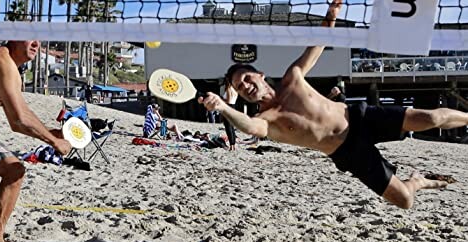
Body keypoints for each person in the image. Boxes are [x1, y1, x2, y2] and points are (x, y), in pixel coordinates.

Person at [199, 0, 468, 210]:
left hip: (360, 117)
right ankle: (419, 180)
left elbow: (319, 43)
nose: (245, 86)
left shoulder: (293, 78)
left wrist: (331, 15)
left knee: (431, 119)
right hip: (347, 152)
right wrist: (223, 107)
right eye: (239, 87)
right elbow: (250, 128)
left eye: (245, 78)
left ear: (259, 74)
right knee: (404, 200)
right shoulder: (266, 118)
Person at [0, 40, 72, 242]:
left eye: (38, 39)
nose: (36, 43)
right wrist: (53, 141)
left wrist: (50, 134)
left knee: (14, 170)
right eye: (29, 36)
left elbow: (17, 120)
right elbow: (20, 120)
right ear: (14, 38)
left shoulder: (12, 71)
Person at [222, 82, 239, 151]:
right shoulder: (235, 89)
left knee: (228, 127)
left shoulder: (229, 89)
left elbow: (228, 100)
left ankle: (232, 145)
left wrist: (221, 100)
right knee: (231, 127)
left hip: (228, 107)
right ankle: (233, 145)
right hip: (233, 107)